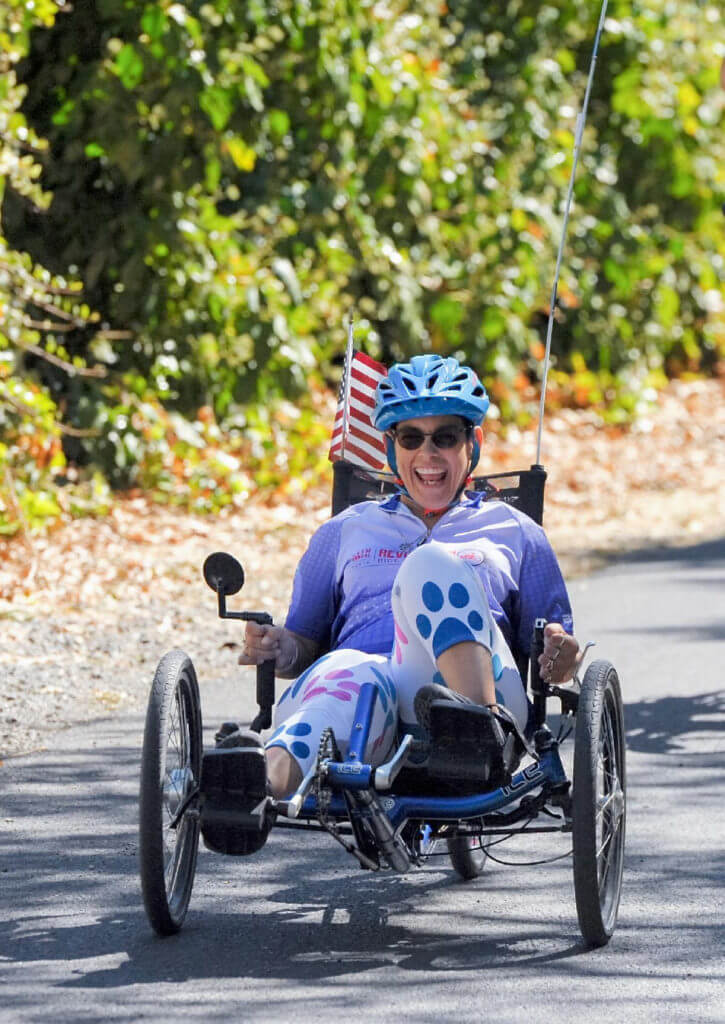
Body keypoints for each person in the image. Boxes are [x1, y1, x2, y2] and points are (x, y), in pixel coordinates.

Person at [235, 355, 582, 804]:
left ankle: (476, 729)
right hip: (367, 709)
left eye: (445, 437)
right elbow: (302, 645)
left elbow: (557, 647)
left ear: (472, 444)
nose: (428, 454)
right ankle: (255, 792)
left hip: (488, 705)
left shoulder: (517, 532)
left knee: (430, 566)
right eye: (411, 438)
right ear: (390, 448)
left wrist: (562, 652)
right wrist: (277, 647)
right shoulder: (343, 530)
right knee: (351, 675)